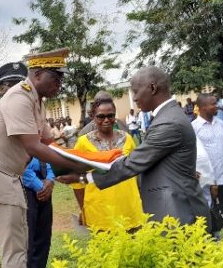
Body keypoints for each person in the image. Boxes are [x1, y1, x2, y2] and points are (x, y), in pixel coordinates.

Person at [0, 48, 88, 268]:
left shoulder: (36, 99)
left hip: (7, 176)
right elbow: (33, 146)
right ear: (37, 74)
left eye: (61, 78)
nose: (60, 83)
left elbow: (49, 143)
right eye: (55, 77)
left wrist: (83, 162)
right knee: (15, 251)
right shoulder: (19, 97)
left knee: (19, 246)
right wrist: (77, 165)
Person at [65, 66, 210, 227]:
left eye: (135, 91)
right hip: (169, 207)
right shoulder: (167, 116)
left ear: (153, 88)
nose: (134, 98)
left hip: (177, 211)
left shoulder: (168, 122)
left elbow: (133, 163)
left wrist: (84, 178)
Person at [0, 62, 55, 268]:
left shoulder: (35, 106)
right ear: (1, 89)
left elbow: (48, 146)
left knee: (42, 241)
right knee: (25, 246)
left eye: (18, 83)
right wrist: (39, 185)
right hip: (24, 187)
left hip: (44, 183)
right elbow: (22, 154)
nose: (15, 88)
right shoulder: (6, 112)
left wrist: (50, 178)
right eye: (9, 84)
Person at [59, 98, 144, 232]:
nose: (106, 120)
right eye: (101, 116)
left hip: (129, 208)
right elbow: (77, 183)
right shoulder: (83, 142)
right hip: (99, 211)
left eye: (110, 115)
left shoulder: (127, 138)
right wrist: (83, 209)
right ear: (93, 117)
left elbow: (135, 171)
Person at [192, 94, 223, 243]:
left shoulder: (221, 124)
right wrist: (210, 182)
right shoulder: (194, 128)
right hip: (207, 182)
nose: (216, 105)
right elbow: (199, 158)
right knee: (211, 216)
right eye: (213, 104)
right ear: (203, 107)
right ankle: (214, 248)